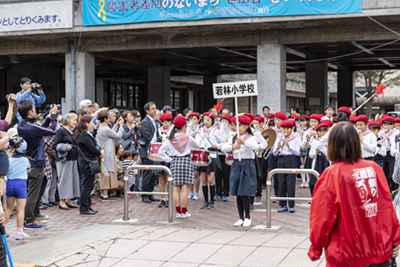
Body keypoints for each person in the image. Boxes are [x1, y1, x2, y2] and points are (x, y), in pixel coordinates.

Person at [308, 122, 400, 266]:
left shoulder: (332, 174)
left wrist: (316, 248)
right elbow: (387, 207)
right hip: (379, 250)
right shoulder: (374, 168)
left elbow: (322, 217)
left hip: (347, 253)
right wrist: (395, 239)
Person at [18, 100, 58, 230]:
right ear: (30, 112)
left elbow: (41, 130)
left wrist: (47, 118)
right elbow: (51, 131)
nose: (35, 110)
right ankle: (29, 221)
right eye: (34, 109)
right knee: (33, 195)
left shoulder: (23, 125)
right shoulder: (31, 127)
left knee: (30, 193)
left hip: (28, 163)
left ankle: (29, 219)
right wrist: (53, 116)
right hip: (36, 163)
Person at [159, 115, 201, 219]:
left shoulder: (170, 138)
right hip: (186, 161)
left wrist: (170, 160)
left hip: (175, 162)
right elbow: (197, 145)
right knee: (185, 188)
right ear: (185, 125)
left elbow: (161, 152)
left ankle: (178, 212)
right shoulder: (188, 137)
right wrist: (198, 135)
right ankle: (184, 212)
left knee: (176, 188)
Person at [221, 115, 258, 227]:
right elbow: (223, 148)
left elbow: (256, 147)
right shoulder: (234, 137)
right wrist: (233, 147)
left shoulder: (251, 137)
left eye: (241, 125)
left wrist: (243, 142)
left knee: (244, 192)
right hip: (237, 164)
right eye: (237, 125)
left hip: (247, 164)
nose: (238, 127)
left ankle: (247, 217)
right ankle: (240, 217)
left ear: (247, 126)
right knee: (237, 192)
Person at [196, 112, 226, 209]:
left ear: (212, 120)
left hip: (212, 154)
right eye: (204, 120)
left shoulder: (215, 131)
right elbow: (198, 142)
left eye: (208, 119)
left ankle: (212, 201)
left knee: (210, 180)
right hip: (203, 154)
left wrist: (217, 146)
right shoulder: (201, 131)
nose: (206, 122)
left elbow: (224, 142)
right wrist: (198, 145)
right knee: (204, 181)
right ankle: (205, 201)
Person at [75, 115, 104, 215]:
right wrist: (99, 152)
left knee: (89, 185)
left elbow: (95, 145)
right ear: (86, 123)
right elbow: (92, 148)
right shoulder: (83, 135)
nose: (93, 124)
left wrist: (100, 150)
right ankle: (84, 208)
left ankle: (87, 206)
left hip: (88, 161)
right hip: (86, 162)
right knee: (87, 186)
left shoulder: (87, 134)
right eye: (92, 122)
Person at [4, 137, 30, 240]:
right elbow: (28, 170)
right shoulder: (25, 160)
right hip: (21, 184)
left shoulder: (8, 160)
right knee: (20, 210)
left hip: (10, 184)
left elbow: (6, 171)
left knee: (9, 208)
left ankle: (3, 230)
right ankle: (19, 232)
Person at [272, 119, 301, 213]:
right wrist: (277, 148)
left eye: (288, 128)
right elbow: (274, 153)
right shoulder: (279, 138)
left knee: (290, 182)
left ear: (292, 128)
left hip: (291, 159)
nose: (285, 131)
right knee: (281, 182)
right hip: (281, 160)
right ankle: (283, 204)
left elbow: (297, 152)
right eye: (284, 128)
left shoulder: (296, 137)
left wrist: (289, 146)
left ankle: (291, 205)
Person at [53, 113, 80, 210]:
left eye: (75, 120)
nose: (75, 122)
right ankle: (61, 201)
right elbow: (54, 145)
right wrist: (65, 147)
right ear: (67, 120)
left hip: (72, 158)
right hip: (63, 159)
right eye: (73, 120)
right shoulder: (61, 131)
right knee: (64, 180)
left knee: (72, 180)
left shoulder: (71, 131)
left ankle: (69, 200)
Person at [96, 110, 124, 200]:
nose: (110, 119)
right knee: (106, 174)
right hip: (106, 154)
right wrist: (121, 126)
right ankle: (104, 194)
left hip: (105, 153)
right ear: (105, 119)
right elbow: (118, 135)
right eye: (108, 117)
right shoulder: (105, 129)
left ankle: (104, 194)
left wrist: (116, 125)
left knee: (105, 173)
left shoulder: (102, 127)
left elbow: (111, 133)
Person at [139, 102, 160, 203]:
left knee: (153, 174)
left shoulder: (155, 121)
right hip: (147, 151)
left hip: (154, 151)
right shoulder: (145, 122)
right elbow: (148, 136)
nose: (154, 110)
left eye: (155, 108)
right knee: (147, 173)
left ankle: (150, 193)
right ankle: (145, 195)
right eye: (152, 109)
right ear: (147, 111)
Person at [151, 113, 173, 208]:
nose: (167, 124)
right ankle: (162, 198)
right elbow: (152, 142)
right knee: (160, 178)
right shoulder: (157, 131)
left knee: (168, 178)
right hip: (159, 157)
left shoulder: (173, 131)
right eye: (165, 122)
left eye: (168, 121)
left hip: (169, 156)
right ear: (161, 122)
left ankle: (168, 198)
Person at [309, 123, 330, 196]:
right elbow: (310, 155)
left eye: (324, 131)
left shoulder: (329, 142)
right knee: (314, 181)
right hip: (317, 164)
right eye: (320, 131)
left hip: (326, 164)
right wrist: (316, 152)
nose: (322, 133)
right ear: (317, 132)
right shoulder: (315, 141)